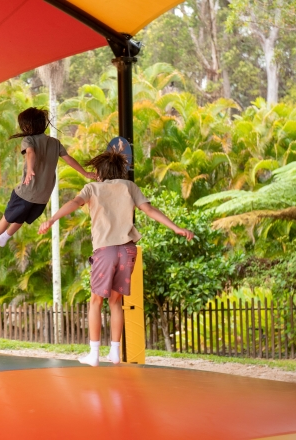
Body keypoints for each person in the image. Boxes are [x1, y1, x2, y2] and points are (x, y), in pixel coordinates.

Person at [38, 150, 194, 366]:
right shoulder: (129, 187)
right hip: (128, 251)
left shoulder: (92, 188)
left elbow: (74, 203)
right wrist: (176, 228)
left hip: (107, 251)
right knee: (115, 302)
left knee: (95, 301)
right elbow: (149, 209)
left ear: (100, 171)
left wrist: (52, 219)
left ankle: (93, 355)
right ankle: (114, 353)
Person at [0, 107, 97, 249]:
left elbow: (30, 153)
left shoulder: (29, 140)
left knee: (8, 216)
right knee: (22, 216)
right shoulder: (54, 142)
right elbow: (69, 159)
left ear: (27, 126)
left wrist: (30, 169)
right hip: (43, 197)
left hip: (28, 191)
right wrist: (85, 173)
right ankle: (5, 236)